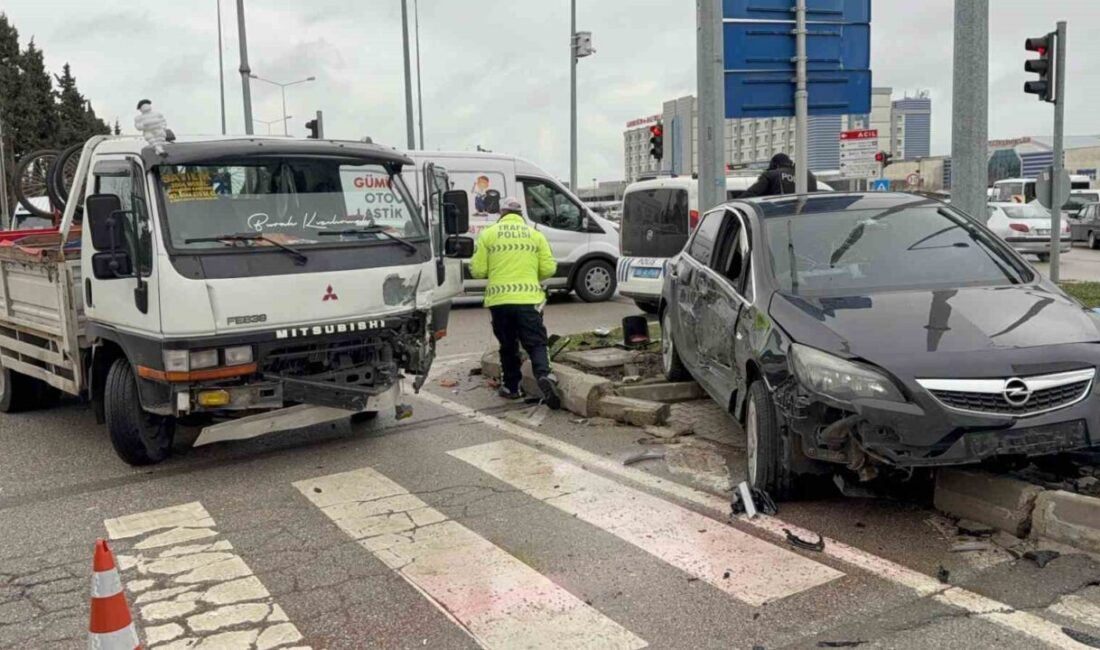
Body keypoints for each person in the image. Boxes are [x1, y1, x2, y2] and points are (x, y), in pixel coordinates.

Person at [469, 197, 562, 409]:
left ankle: (512, 388)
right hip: (529, 300)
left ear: (501, 213)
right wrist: (529, 275)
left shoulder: (488, 235)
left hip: (499, 301)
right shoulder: (536, 235)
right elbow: (549, 269)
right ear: (521, 214)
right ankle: (545, 375)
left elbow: (478, 270)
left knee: (508, 345)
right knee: (536, 342)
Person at [740, 153, 818, 198]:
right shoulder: (809, 175)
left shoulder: (770, 175)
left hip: (779, 218)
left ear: (775, 165)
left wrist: (734, 204)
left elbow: (751, 193)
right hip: (807, 218)